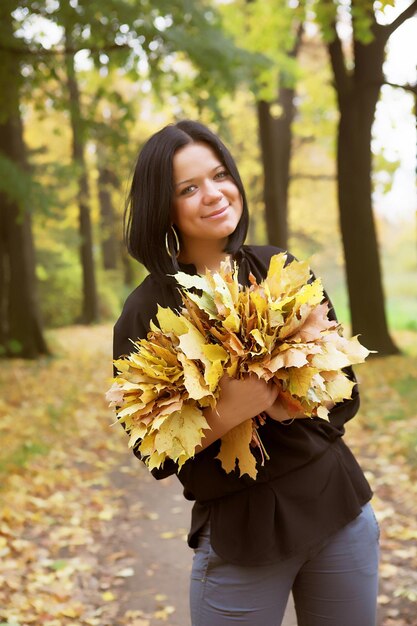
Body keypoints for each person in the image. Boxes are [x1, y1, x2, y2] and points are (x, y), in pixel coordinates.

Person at [113, 120, 379, 626]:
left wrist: (285, 403)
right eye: (188, 188)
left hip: (337, 507)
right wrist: (235, 407)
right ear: (161, 206)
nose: (212, 194)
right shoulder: (147, 310)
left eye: (219, 176)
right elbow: (155, 451)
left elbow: (344, 392)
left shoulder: (278, 267)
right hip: (241, 534)